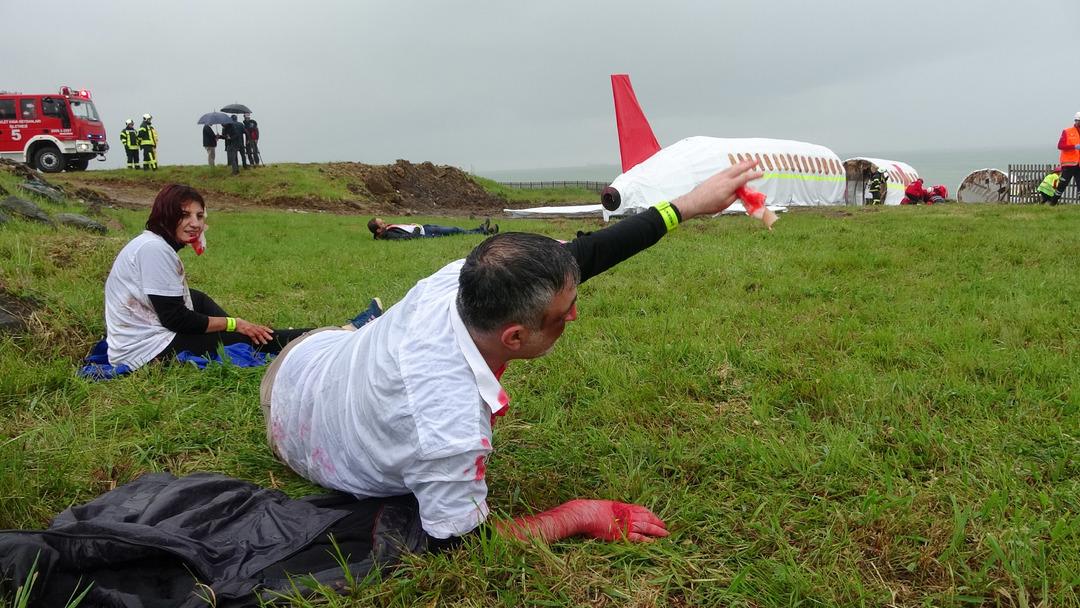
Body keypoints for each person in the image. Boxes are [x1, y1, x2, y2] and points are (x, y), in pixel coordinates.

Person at [261, 160, 763, 548]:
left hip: (314, 361)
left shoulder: (465, 277)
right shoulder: (448, 425)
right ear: (515, 338)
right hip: (291, 425)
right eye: (564, 312)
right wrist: (578, 514)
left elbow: (585, 254)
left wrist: (688, 205)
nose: (574, 315)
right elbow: (460, 542)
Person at [103, 184, 381, 372]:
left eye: (199, 216)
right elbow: (175, 319)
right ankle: (341, 334)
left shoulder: (152, 243)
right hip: (146, 352)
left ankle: (249, 336)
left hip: (141, 337)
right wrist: (236, 324)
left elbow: (175, 305)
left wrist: (236, 327)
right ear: (166, 214)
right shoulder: (154, 250)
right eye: (184, 215)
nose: (195, 223)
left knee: (199, 300)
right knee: (243, 340)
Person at [368, 217, 498, 239]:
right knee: (454, 230)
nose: (385, 223)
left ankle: (481, 230)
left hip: (425, 228)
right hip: (426, 232)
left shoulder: (386, 230)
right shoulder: (389, 235)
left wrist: (413, 225)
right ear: (378, 230)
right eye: (382, 223)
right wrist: (417, 228)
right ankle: (483, 232)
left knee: (455, 229)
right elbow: (409, 237)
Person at [1054, 112, 1080, 204]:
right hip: (1069, 164)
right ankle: (1053, 203)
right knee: (1062, 185)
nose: (1078, 123)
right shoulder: (1067, 131)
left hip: (1079, 164)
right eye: (1077, 121)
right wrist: (1074, 146)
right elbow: (1060, 146)